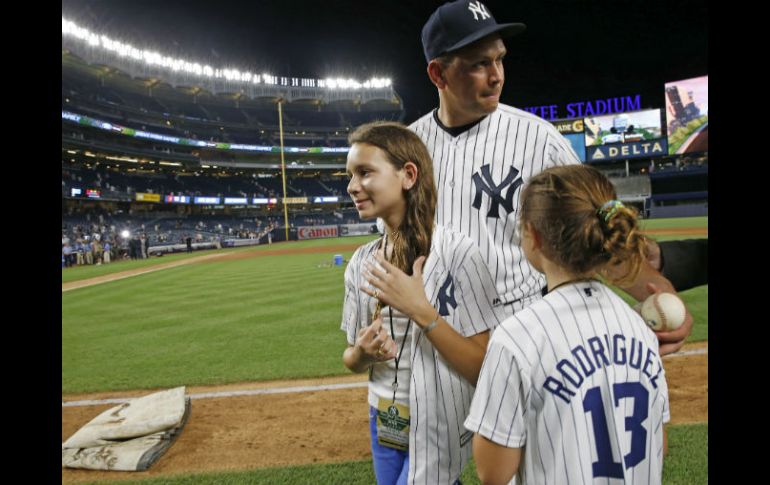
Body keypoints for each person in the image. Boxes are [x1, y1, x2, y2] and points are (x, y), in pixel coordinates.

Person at [410, 0, 692, 355]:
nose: (496, 75)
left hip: (523, 340)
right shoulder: (404, 149)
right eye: (480, 64)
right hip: (434, 341)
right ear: (438, 74)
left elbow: (597, 230)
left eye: (499, 59)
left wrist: (657, 288)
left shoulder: (539, 139)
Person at [465, 165, 669, 485]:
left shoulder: (517, 337)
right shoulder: (639, 327)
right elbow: (658, 443)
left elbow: (493, 473)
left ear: (535, 237)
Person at [341, 121, 506, 485]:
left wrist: (421, 311)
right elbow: (351, 359)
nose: (352, 186)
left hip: (440, 419)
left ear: (408, 175)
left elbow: (482, 367)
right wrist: (364, 353)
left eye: (365, 172)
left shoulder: (458, 253)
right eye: (350, 175)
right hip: (383, 417)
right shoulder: (360, 263)